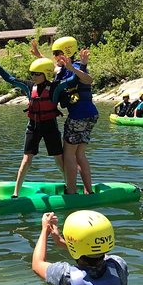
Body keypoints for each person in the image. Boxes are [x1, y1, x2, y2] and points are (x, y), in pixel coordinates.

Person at [0, 49, 64, 198]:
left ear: (45, 74)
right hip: (33, 126)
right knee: (26, 159)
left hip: (50, 126)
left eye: (37, 74)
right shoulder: (30, 87)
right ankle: (16, 192)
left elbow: (71, 79)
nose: (34, 77)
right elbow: (10, 79)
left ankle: (71, 186)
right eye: (33, 74)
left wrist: (78, 66)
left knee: (59, 159)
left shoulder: (55, 87)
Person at [52, 36, 98, 195]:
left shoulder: (76, 67)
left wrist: (73, 68)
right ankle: (88, 190)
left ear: (66, 52)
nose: (55, 57)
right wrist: (38, 56)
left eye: (57, 53)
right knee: (79, 153)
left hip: (79, 116)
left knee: (69, 154)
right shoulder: (64, 69)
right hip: (90, 115)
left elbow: (89, 80)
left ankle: (71, 191)